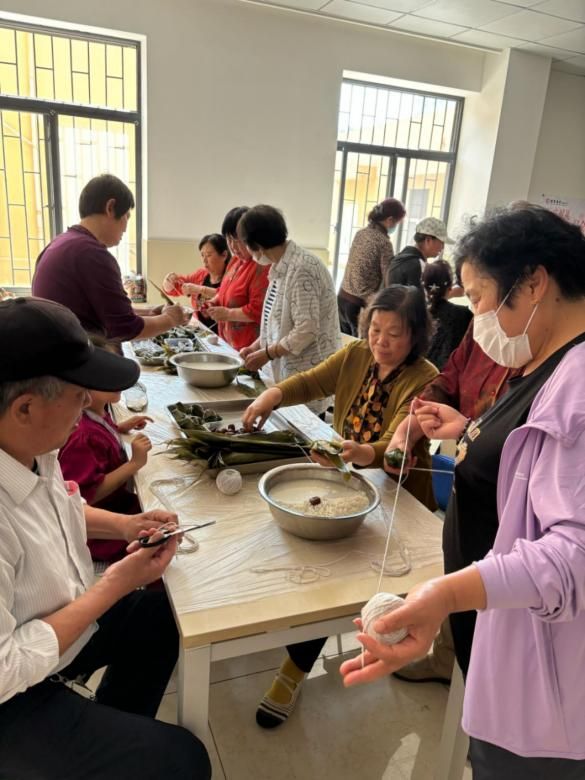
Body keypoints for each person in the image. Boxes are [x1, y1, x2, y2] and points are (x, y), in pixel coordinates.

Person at [340, 205, 585, 779]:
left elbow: (572, 556)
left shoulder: (578, 382)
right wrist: (470, 430)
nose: (474, 315)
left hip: (541, 673)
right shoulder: (545, 361)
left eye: (478, 297)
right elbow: (531, 468)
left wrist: (443, 596)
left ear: (533, 283)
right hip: (502, 629)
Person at [0, 296, 210, 780]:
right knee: (183, 762)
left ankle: (107, 734)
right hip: (11, 694)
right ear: (25, 407)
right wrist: (114, 584)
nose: (86, 407)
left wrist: (126, 526)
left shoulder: (35, 448)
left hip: (59, 627)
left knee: (164, 616)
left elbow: (61, 508)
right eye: (79, 395)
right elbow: (6, 667)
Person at [242, 285, 438, 728]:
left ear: (416, 336)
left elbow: (396, 443)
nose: (380, 341)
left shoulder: (426, 379)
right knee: (321, 568)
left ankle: (294, 669)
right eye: (374, 329)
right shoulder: (356, 355)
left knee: (344, 581)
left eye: (394, 334)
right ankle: (296, 643)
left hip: (400, 496)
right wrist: (271, 395)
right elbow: (312, 381)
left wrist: (359, 452)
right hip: (350, 484)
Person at [32, 174, 189, 343]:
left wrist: (150, 312)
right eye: (127, 216)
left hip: (51, 346)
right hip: (70, 352)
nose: (126, 228)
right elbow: (125, 328)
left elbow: (108, 311)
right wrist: (171, 319)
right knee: (126, 359)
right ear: (111, 208)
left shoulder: (61, 242)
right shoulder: (92, 253)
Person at [236, 205, 341, 416]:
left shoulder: (302, 268)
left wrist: (267, 353)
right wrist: (256, 347)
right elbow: (276, 322)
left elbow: (306, 330)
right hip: (286, 375)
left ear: (257, 245)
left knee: (304, 429)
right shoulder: (281, 266)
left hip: (307, 375)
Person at [59, 335, 153, 562]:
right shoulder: (82, 436)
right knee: (157, 544)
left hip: (119, 506)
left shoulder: (99, 410)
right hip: (101, 530)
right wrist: (134, 464)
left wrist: (119, 428)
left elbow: (101, 431)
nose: (119, 381)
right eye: (109, 377)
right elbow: (84, 496)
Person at [337, 198, 406, 336]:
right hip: (358, 305)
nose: (396, 226)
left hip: (342, 297)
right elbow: (388, 276)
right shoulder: (384, 243)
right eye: (397, 223)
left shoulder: (361, 233)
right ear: (390, 220)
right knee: (359, 346)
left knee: (343, 342)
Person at [204, 206, 270, 349]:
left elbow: (258, 310)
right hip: (227, 342)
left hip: (249, 347)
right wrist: (213, 302)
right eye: (229, 239)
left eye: (237, 240)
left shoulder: (261, 266)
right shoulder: (235, 261)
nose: (233, 246)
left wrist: (228, 314)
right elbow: (224, 291)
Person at [162, 233, 230, 330]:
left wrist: (200, 289)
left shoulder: (232, 277)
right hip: (202, 330)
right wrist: (169, 281)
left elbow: (228, 296)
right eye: (202, 255)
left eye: (209, 255)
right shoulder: (201, 275)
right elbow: (176, 287)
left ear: (224, 255)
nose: (204, 260)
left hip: (224, 333)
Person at [422, 259, 472, 370]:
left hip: (420, 376)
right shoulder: (464, 315)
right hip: (452, 376)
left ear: (425, 286)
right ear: (450, 286)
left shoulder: (417, 315)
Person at [385, 216, 453, 289]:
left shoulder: (400, 258)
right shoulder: (418, 265)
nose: (442, 247)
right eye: (441, 242)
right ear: (428, 240)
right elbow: (418, 295)